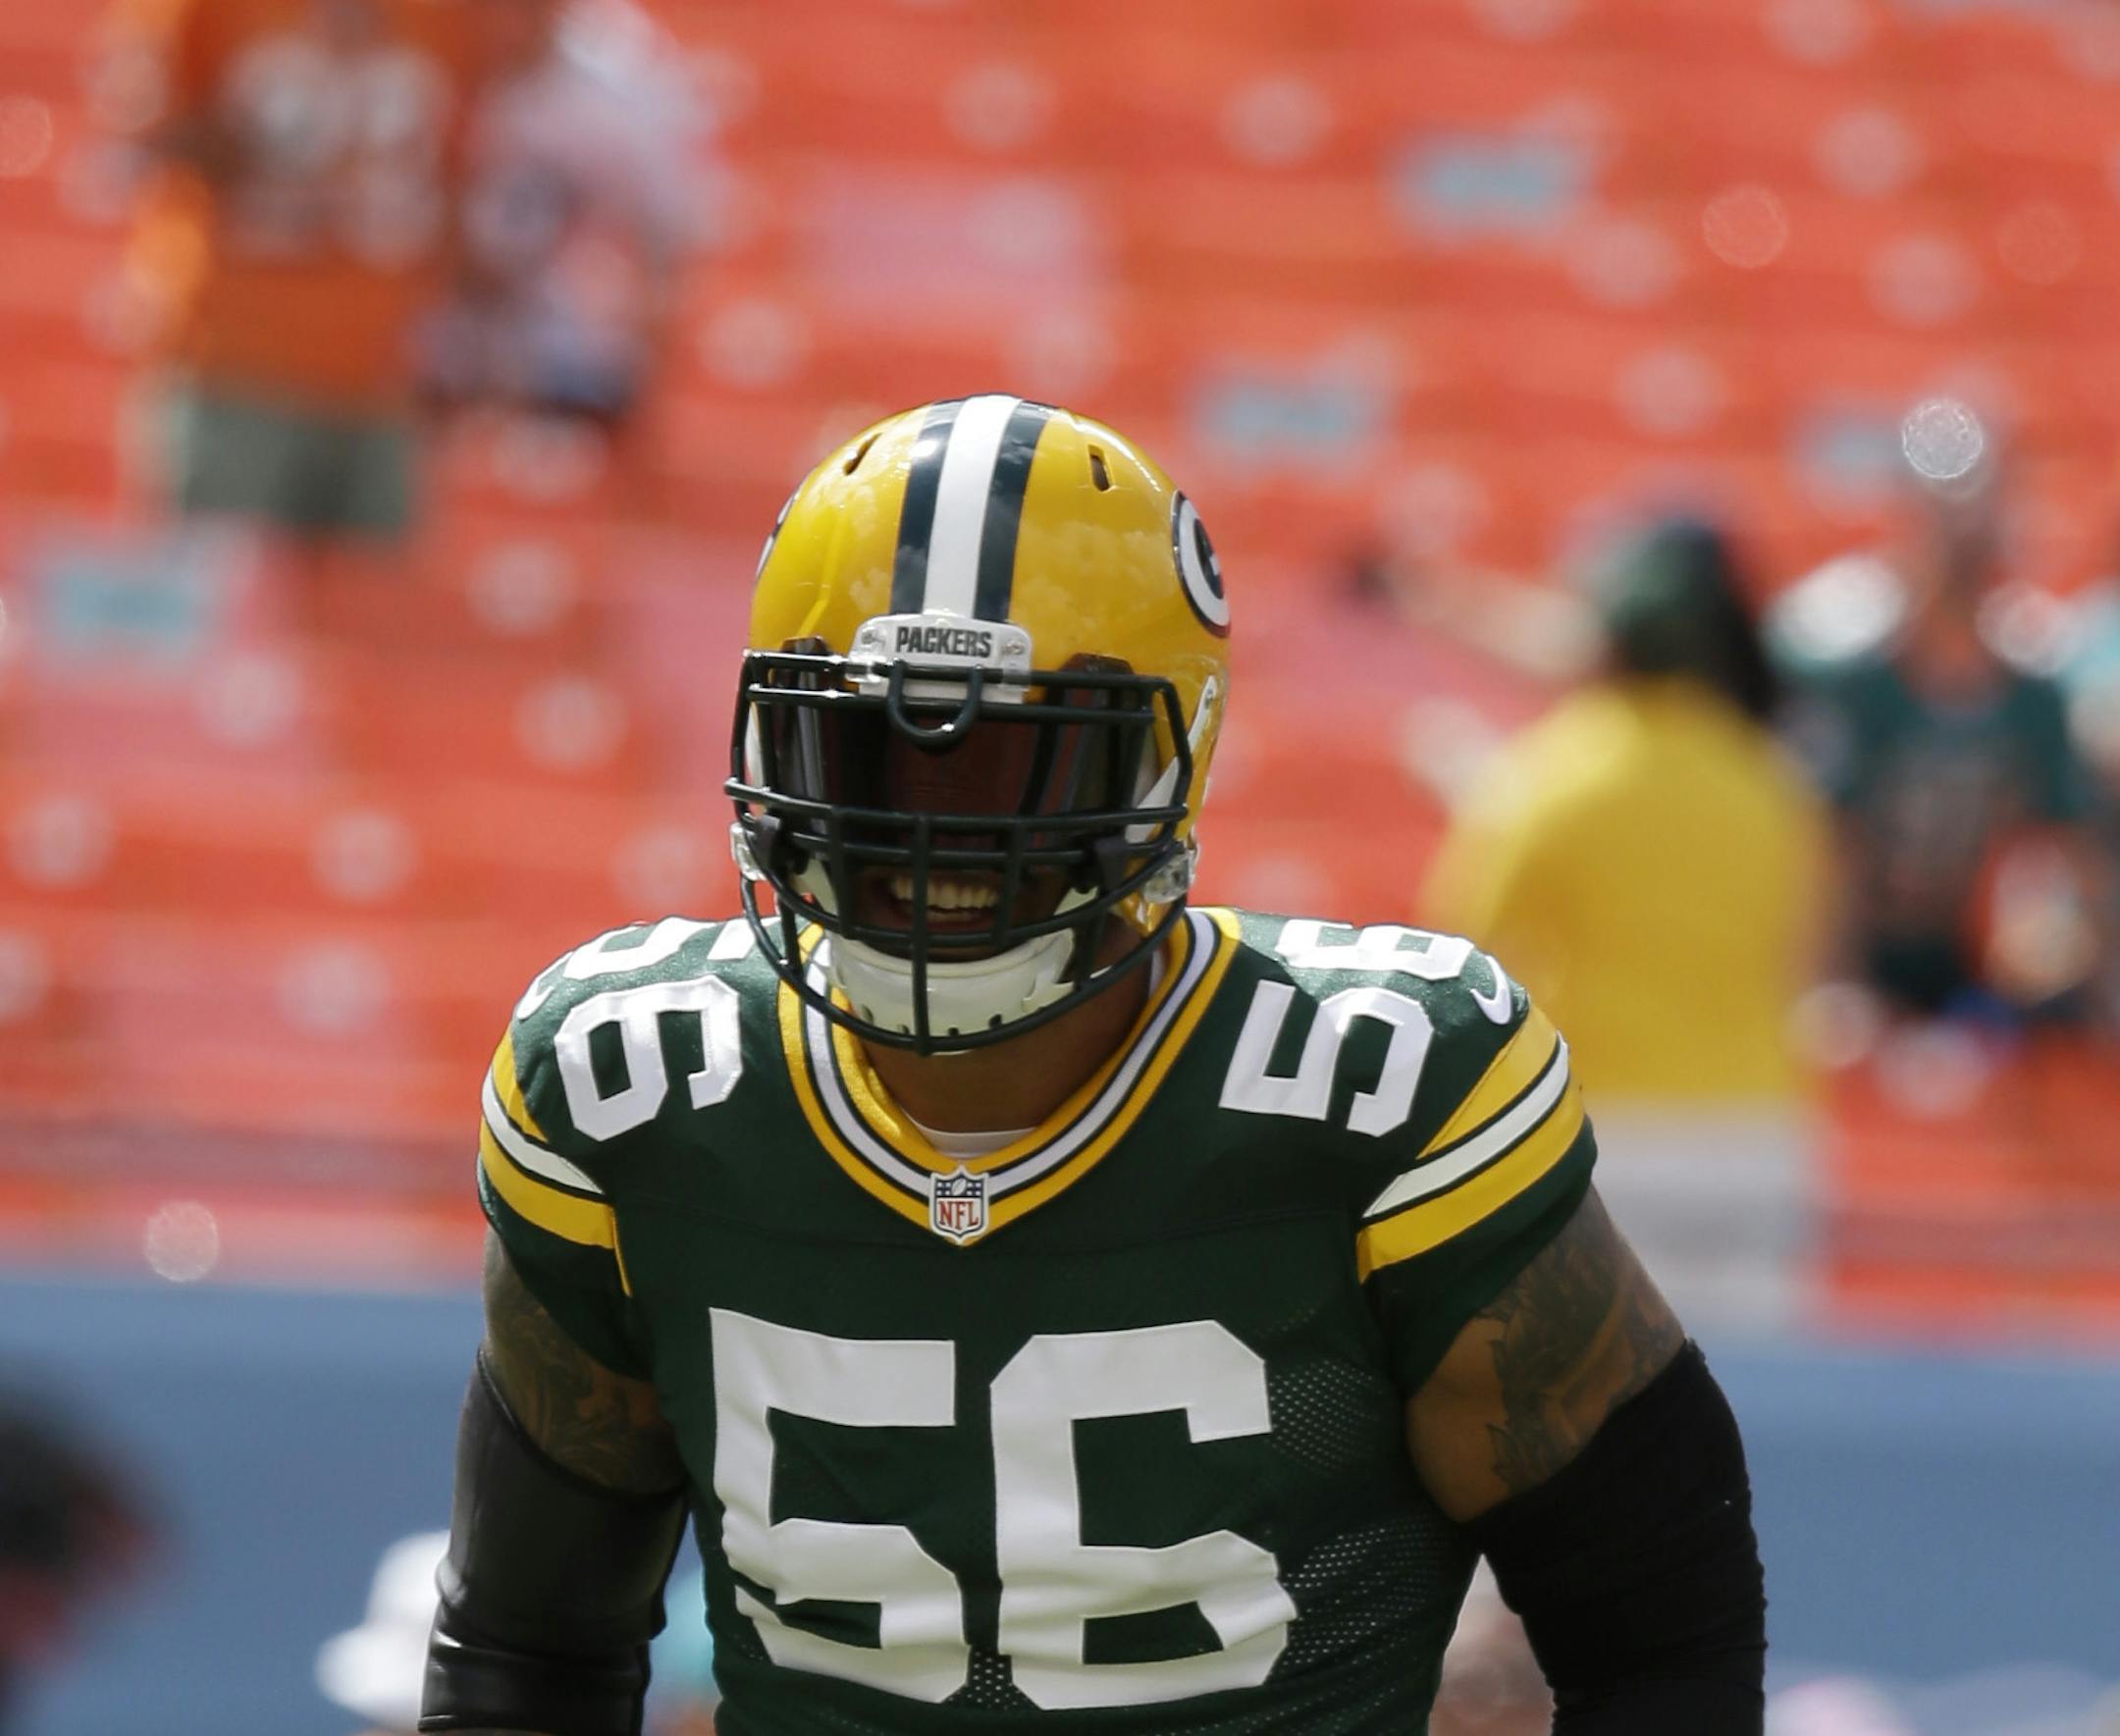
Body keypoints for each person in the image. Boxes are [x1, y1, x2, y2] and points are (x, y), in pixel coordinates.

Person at [419, 398, 1768, 1735]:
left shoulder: (1378, 1096)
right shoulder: (633, 1088)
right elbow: (521, 1654)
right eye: (875, 749)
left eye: (1011, 764)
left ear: (1159, 761)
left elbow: (1661, 1628)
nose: (931, 839)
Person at [1422, 518, 1828, 1328]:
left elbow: (1459, 957)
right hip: (1757, 1133)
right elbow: (1803, 952)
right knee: (1754, 1416)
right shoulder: (1773, 782)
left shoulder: (1550, 775)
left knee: (1600, 1411)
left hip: (1608, 1137)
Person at [108, 0, 482, 547]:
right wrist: (255, 143)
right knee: (225, 598)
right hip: (236, 367)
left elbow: (473, 163)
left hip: (387, 378)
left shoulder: (456, 17)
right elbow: (145, 130)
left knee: (374, 619)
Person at [1782, 455, 2108, 1026]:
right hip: (1853, 948)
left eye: (1979, 541)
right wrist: (1838, 980)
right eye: (1950, 537)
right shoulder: (1858, 682)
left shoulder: (2032, 694)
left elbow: (2075, 846)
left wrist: (2096, 970)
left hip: (1956, 954)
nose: (1965, 560)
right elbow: (1830, 851)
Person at [419, 0, 711, 426]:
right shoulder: (434, 71)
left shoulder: (617, 89)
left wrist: (649, 345)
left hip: (570, 355)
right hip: (447, 350)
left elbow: (667, 228)